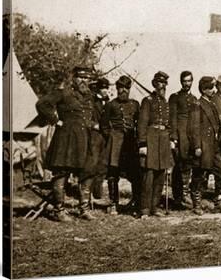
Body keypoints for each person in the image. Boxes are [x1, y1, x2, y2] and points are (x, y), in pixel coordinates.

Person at [36, 66, 99, 222]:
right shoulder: (64, 92)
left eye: (87, 78)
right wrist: (55, 120)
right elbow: (42, 104)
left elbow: (87, 117)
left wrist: (93, 125)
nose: (84, 81)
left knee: (88, 171)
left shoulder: (90, 96)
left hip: (85, 139)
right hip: (66, 139)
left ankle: (83, 209)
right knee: (61, 173)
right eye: (81, 77)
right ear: (74, 78)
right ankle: (59, 210)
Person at [188, 77, 221, 215]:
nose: (214, 90)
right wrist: (197, 146)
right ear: (204, 89)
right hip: (203, 146)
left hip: (215, 146)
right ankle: (196, 205)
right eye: (211, 87)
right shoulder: (197, 104)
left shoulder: (212, 104)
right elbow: (194, 128)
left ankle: (219, 202)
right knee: (199, 176)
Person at [137, 71, 175, 218]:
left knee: (160, 175)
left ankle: (155, 207)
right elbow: (142, 123)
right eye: (160, 83)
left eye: (165, 83)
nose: (162, 86)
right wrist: (143, 144)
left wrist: (172, 139)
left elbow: (169, 123)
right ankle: (144, 209)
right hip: (151, 138)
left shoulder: (166, 103)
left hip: (163, 140)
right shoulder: (147, 101)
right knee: (149, 175)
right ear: (154, 84)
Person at [101, 75, 140, 215]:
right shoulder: (111, 105)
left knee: (135, 173)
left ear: (129, 89)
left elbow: (139, 123)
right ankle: (113, 203)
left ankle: (136, 201)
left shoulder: (135, 104)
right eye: (120, 88)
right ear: (117, 89)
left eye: (126, 88)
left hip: (130, 142)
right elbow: (104, 125)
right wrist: (112, 137)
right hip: (115, 142)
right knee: (113, 174)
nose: (123, 91)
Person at [168, 71, 197, 209]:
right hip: (180, 135)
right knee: (178, 165)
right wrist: (173, 137)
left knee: (188, 165)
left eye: (189, 81)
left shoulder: (194, 99)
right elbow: (172, 118)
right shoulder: (175, 97)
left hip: (191, 136)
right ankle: (178, 196)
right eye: (184, 81)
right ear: (181, 82)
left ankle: (185, 194)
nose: (187, 83)